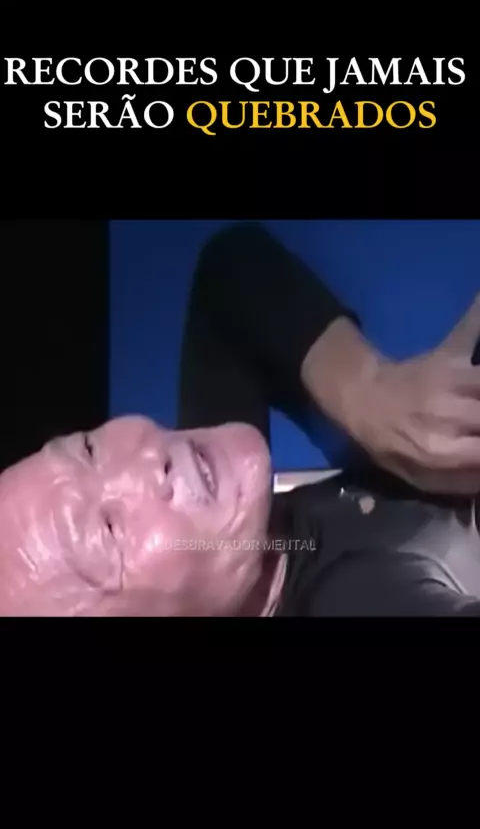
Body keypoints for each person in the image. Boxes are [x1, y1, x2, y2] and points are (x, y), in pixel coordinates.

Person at [1, 221, 480, 615]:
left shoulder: (227, 510)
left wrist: (374, 396)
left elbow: (230, 279)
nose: (142, 456)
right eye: (108, 533)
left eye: (89, 449)